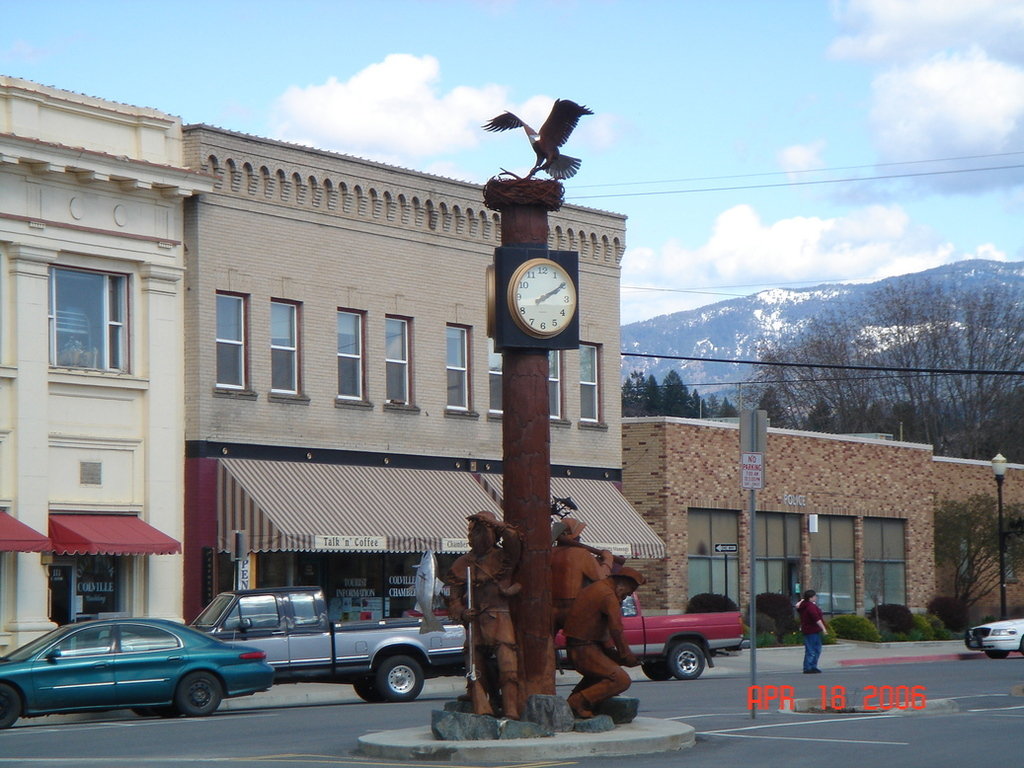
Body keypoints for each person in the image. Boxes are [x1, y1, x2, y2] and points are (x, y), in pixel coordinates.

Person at [445, 510, 523, 719]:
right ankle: (482, 708)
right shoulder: (462, 563)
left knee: (508, 668)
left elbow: (514, 539)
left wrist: (494, 522)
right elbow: (453, 598)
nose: (473, 536)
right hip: (475, 622)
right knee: (475, 669)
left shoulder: (503, 557)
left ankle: (511, 710)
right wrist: (462, 612)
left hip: (500, 619)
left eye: (479, 531)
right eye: (471, 532)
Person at [562, 567, 645, 719]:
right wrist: (625, 654)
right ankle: (577, 701)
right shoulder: (607, 595)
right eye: (628, 591)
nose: (627, 596)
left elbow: (600, 627)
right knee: (621, 680)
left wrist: (612, 652)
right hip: (584, 649)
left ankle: (571, 705)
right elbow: (616, 628)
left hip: (583, 646)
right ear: (623, 583)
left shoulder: (597, 589)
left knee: (599, 676)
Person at [550, 517, 615, 633]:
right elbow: (602, 578)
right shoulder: (581, 554)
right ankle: (609, 647)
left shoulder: (548, 553)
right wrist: (608, 560)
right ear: (574, 536)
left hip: (550, 608)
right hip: (574, 609)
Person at [796, 589, 828, 673]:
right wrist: (823, 629)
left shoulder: (804, 605)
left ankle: (812, 666)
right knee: (812, 649)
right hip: (812, 630)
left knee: (815, 649)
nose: (816, 597)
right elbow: (816, 619)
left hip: (809, 630)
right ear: (810, 598)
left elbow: (797, 605)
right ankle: (808, 667)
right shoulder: (811, 607)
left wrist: (803, 600)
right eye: (814, 596)